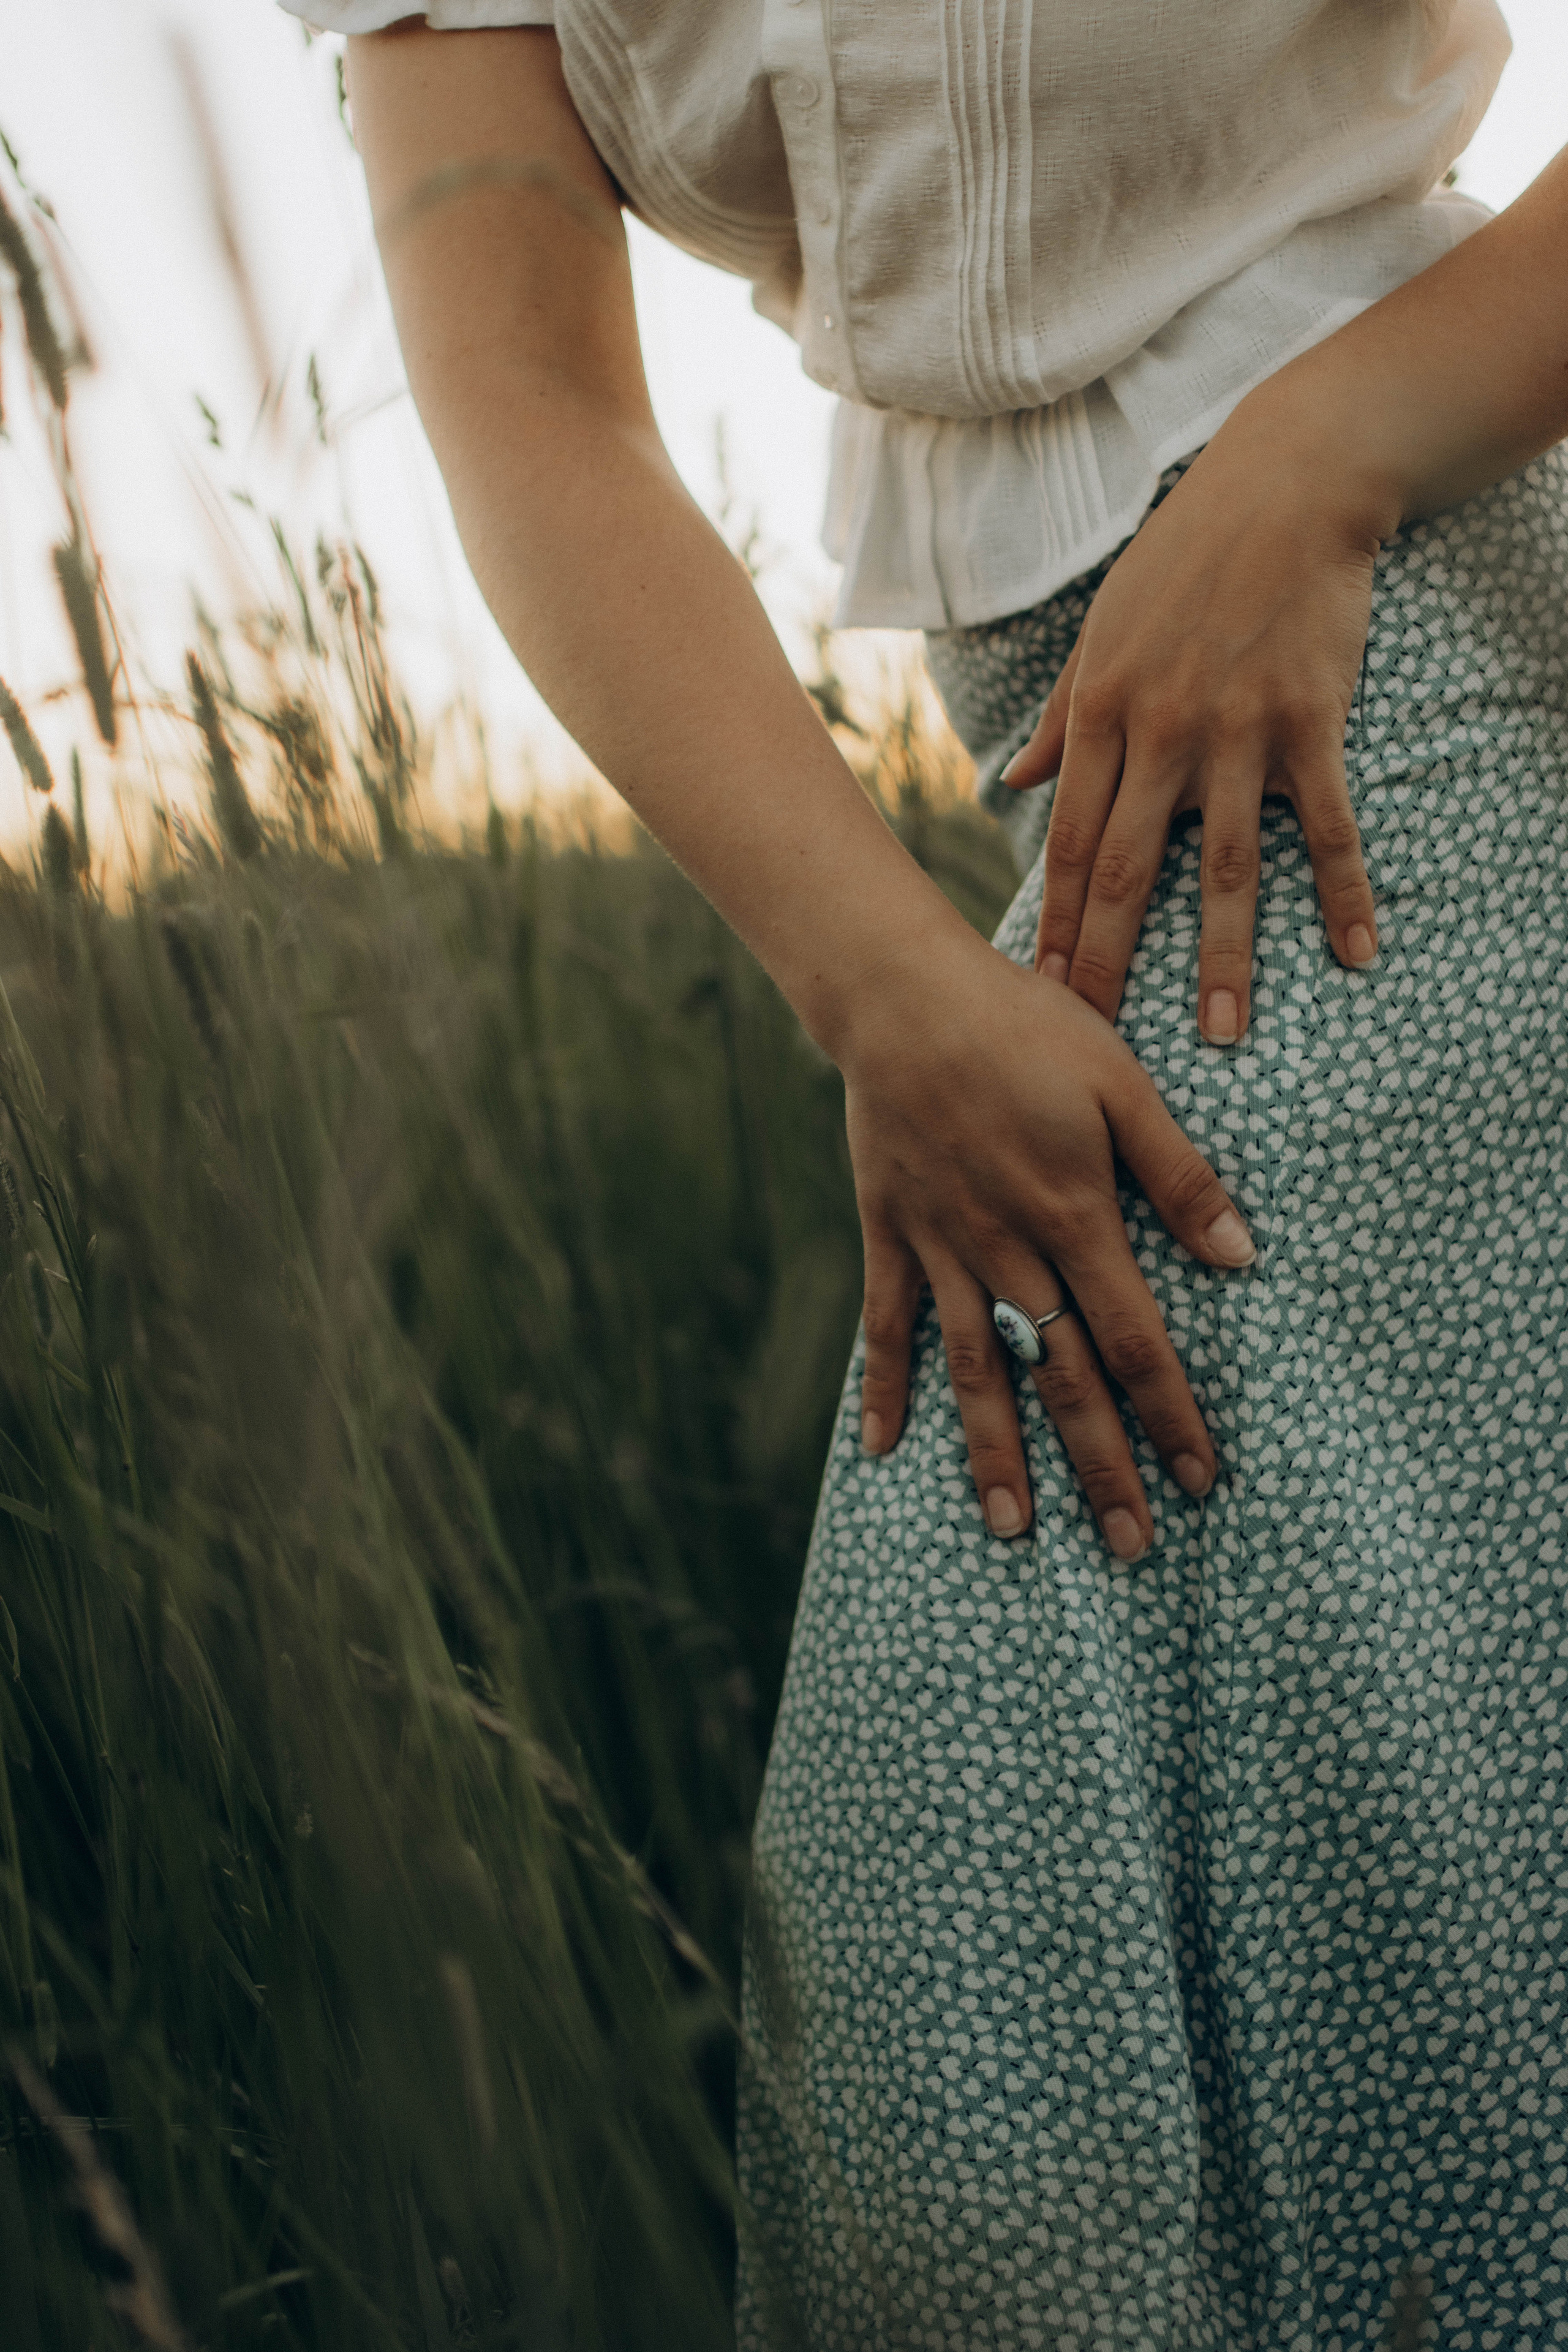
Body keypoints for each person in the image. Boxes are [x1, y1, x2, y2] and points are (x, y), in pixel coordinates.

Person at [293, 4, 1568, 2342]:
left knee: (1291, 1926)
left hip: (1454, 651)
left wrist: (1333, 449)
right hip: (1057, 824)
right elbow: (528, 394)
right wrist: (880, 986)